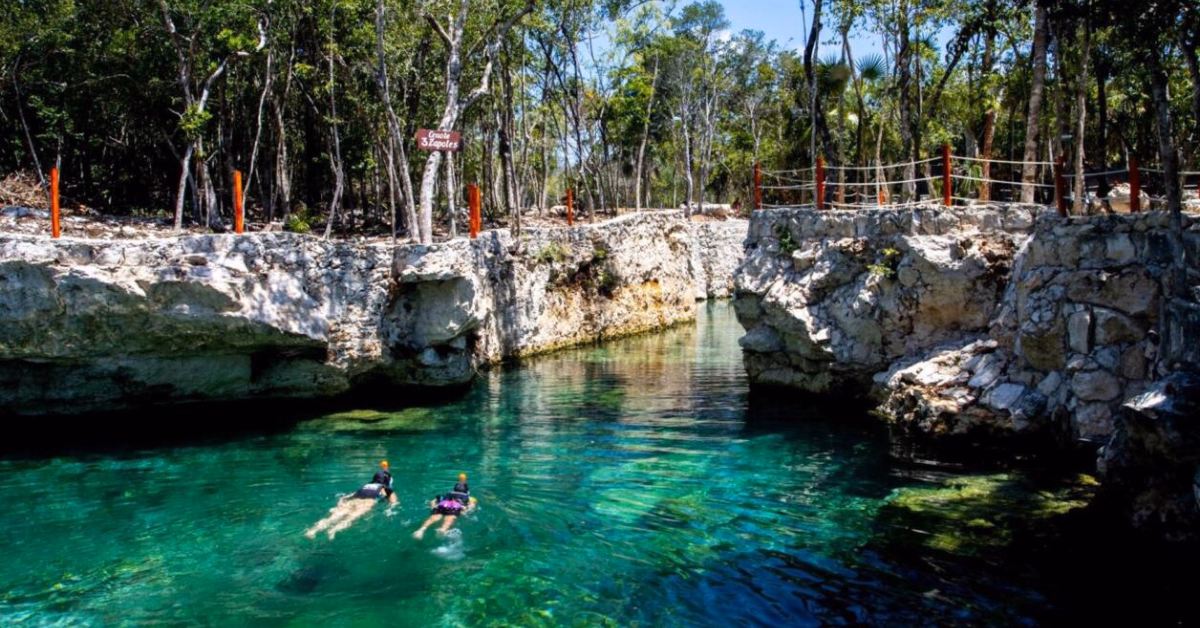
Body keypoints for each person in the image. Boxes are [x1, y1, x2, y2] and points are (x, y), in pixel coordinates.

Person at [305, 461, 398, 540]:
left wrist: (341, 502)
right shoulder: (386, 488)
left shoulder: (366, 485)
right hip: (366, 503)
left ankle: (312, 531)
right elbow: (394, 503)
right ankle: (333, 531)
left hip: (354, 500)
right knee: (350, 518)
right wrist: (389, 510)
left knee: (333, 517)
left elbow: (347, 496)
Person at [412, 473, 476, 539]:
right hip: (455, 506)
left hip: (443, 504)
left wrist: (433, 507)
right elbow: (471, 507)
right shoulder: (470, 498)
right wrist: (466, 511)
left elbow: (433, 501)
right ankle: (443, 529)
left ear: (454, 490)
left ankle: (421, 530)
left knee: (434, 517)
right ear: (467, 492)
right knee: (449, 518)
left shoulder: (448, 494)